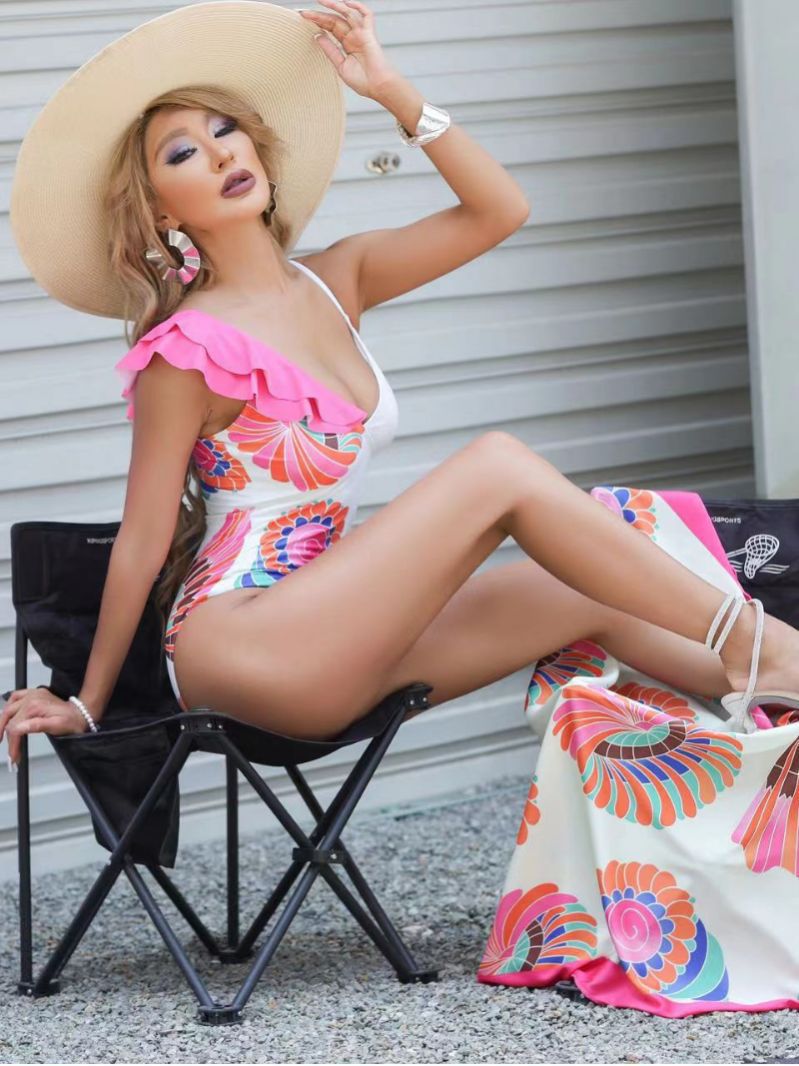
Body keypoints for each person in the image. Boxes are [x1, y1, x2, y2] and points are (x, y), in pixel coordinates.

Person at [3, 0, 799, 772]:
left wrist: (390, 90)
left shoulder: (338, 279)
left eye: (224, 131)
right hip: (244, 652)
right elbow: (143, 542)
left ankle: (780, 702)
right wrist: (89, 704)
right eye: (181, 154)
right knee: (496, 467)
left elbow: (499, 210)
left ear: (257, 149)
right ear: (160, 214)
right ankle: (761, 644)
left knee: (590, 592)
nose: (217, 156)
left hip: (343, 632)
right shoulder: (185, 352)